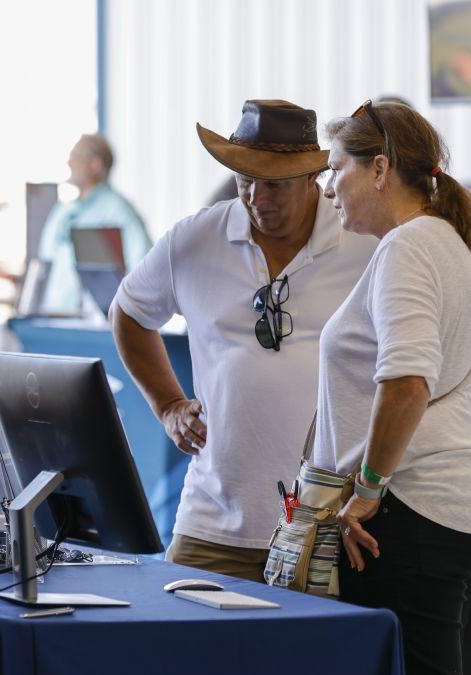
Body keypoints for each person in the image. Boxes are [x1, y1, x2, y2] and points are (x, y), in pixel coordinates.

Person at [110, 100, 377, 581]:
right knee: (178, 626)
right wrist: (169, 405)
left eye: (274, 184)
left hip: (328, 522)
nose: (257, 197)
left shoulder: (365, 244)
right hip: (211, 520)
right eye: (244, 180)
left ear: (311, 178)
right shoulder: (193, 239)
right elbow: (128, 313)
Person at [318, 100, 471, 674]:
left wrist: (368, 489)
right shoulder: (454, 243)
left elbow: (407, 381)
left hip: (409, 510)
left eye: (336, 169)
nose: (328, 188)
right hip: (452, 505)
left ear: (379, 169)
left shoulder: (408, 247)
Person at [37, 134, 151, 314]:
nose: (69, 163)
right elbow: (45, 260)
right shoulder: (63, 211)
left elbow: (143, 266)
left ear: (95, 165)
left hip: (94, 323)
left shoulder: (118, 211)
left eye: (76, 157)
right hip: (54, 315)